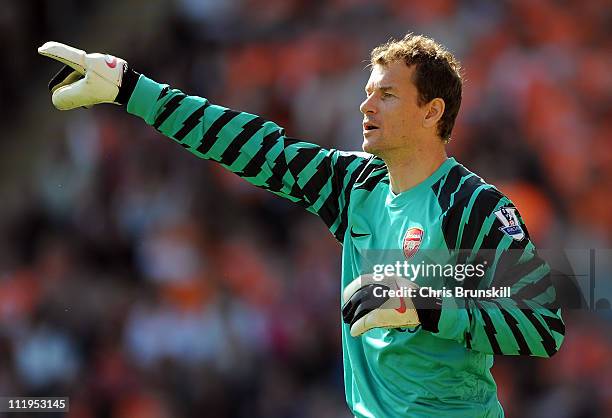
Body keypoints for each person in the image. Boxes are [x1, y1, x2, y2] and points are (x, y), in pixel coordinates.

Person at [38, 34, 564, 417]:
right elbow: (254, 146)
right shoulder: (356, 183)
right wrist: (133, 89)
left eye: (387, 94)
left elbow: (543, 326)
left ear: (432, 112)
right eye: (368, 91)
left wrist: (421, 306)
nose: (366, 105)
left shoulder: (470, 204)